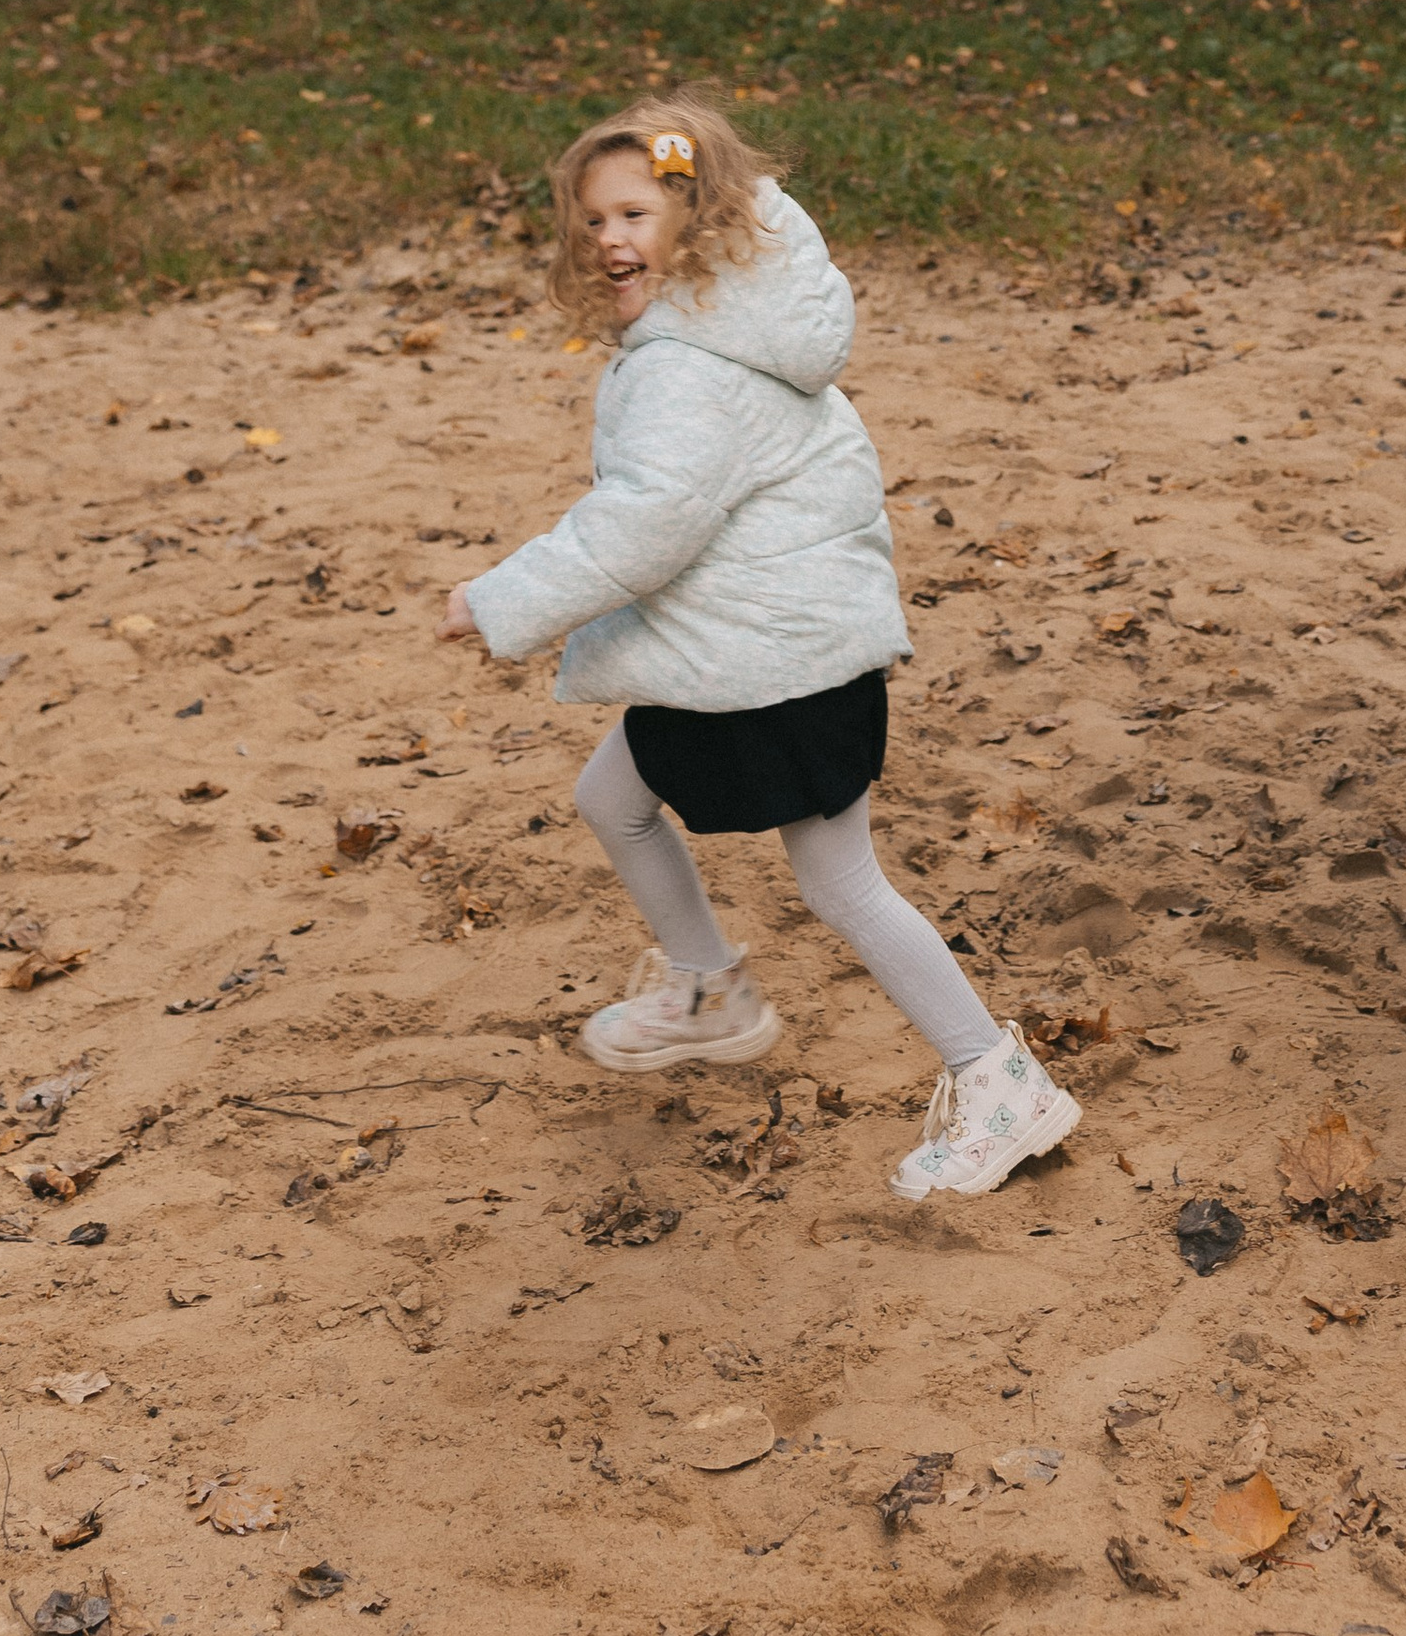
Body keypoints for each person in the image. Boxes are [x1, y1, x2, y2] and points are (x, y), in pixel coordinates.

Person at [441, 88, 1081, 1200]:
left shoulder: (694, 367)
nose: (608, 240)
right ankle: (710, 988)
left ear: (697, 216)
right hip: (739, 651)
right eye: (593, 221)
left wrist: (501, 601)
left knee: (842, 883)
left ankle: (997, 1079)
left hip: (775, 669)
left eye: (635, 214)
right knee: (613, 798)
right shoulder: (737, 317)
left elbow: (643, 528)